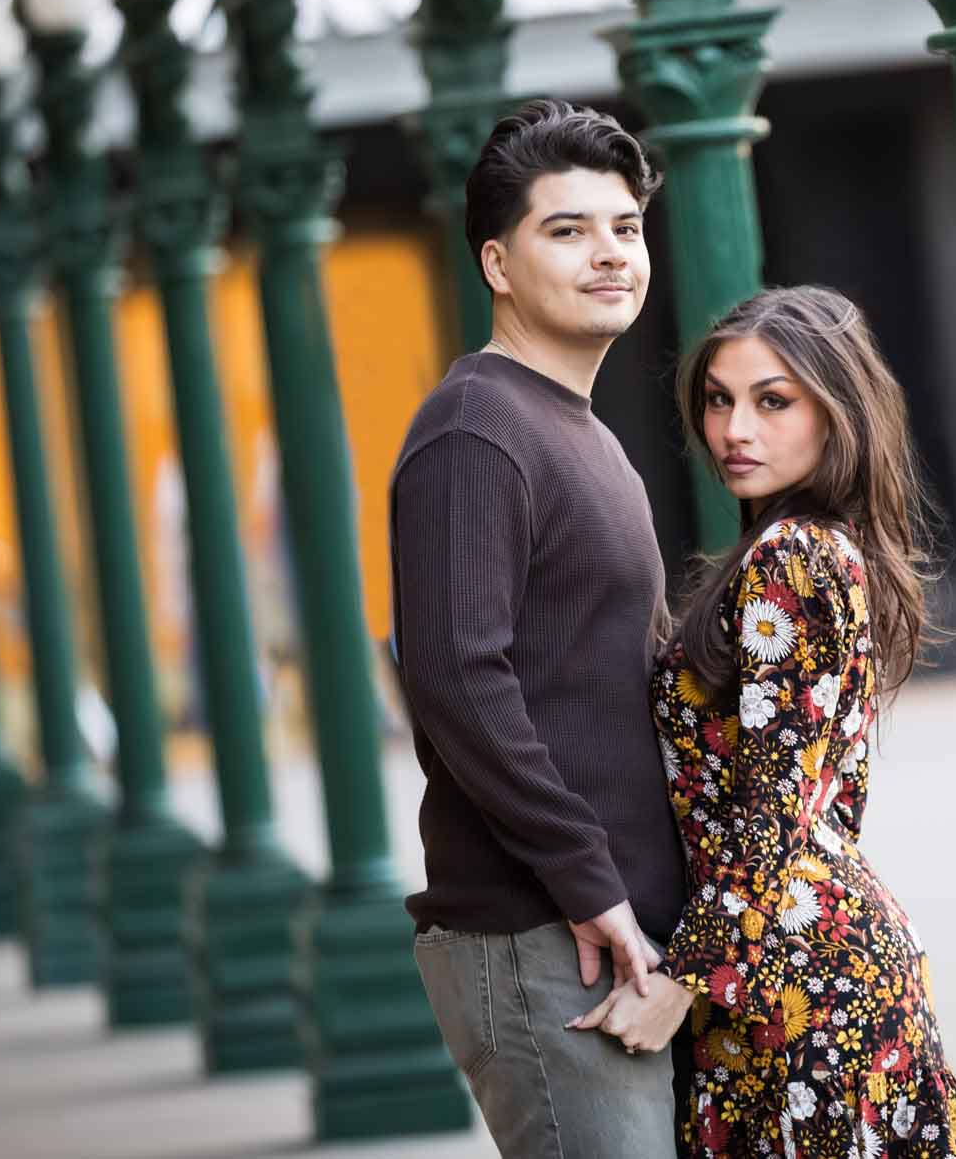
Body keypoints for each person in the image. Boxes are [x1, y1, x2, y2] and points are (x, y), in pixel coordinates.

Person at [572, 286, 956, 1157]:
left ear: (835, 414)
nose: (736, 429)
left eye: (773, 400)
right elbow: (834, 802)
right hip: (800, 963)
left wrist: (680, 983)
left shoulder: (793, 558)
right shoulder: (831, 549)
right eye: (720, 399)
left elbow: (779, 809)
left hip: (795, 987)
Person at [388, 99, 688, 1156]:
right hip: (543, 931)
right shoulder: (477, 430)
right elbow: (456, 677)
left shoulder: (579, 432)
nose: (608, 253)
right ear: (497, 264)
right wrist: (588, 878)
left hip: (602, 926)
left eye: (623, 227)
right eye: (566, 231)